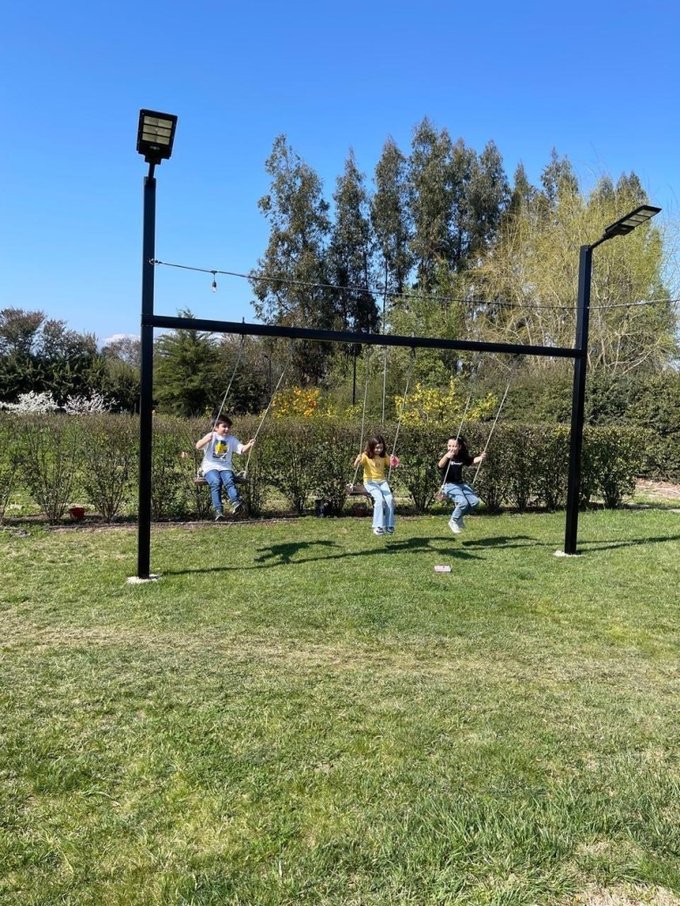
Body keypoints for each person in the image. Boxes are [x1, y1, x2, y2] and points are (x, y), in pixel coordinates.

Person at [196, 417, 255, 520]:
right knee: (216, 482)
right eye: (224, 426)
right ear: (216, 428)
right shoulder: (211, 436)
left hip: (225, 467)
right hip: (210, 467)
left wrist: (249, 445)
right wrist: (206, 440)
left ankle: (236, 503)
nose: (227, 429)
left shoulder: (231, 439)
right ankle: (218, 511)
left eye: (228, 427)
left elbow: (242, 450)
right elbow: (198, 446)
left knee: (229, 480)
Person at [438, 435, 486, 534]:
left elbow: (472, 461)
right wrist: (446, 457)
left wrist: (481, 457)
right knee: (463, 503)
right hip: (449, 485)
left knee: (475, 502)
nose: (451, 448)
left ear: (459, 447)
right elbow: (440, 465)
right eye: (449, 446)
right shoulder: (447, 456)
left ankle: (459, 517)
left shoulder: (462, 456)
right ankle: (453, 520)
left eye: (454, 446)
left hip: (460, 484)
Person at [353, 435, 399, 536]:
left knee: (389, 499)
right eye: (377, 448)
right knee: (379, 499)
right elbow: (355, 466)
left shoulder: (384, 455)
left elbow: (392, 466)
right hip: (370, 482)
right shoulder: (365, 455)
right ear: (371, 447)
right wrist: (357, 460)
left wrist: (394, 461)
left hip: (382, 481)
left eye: (381, 447)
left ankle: (389, 525)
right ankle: (378, 526)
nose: (379, 450)